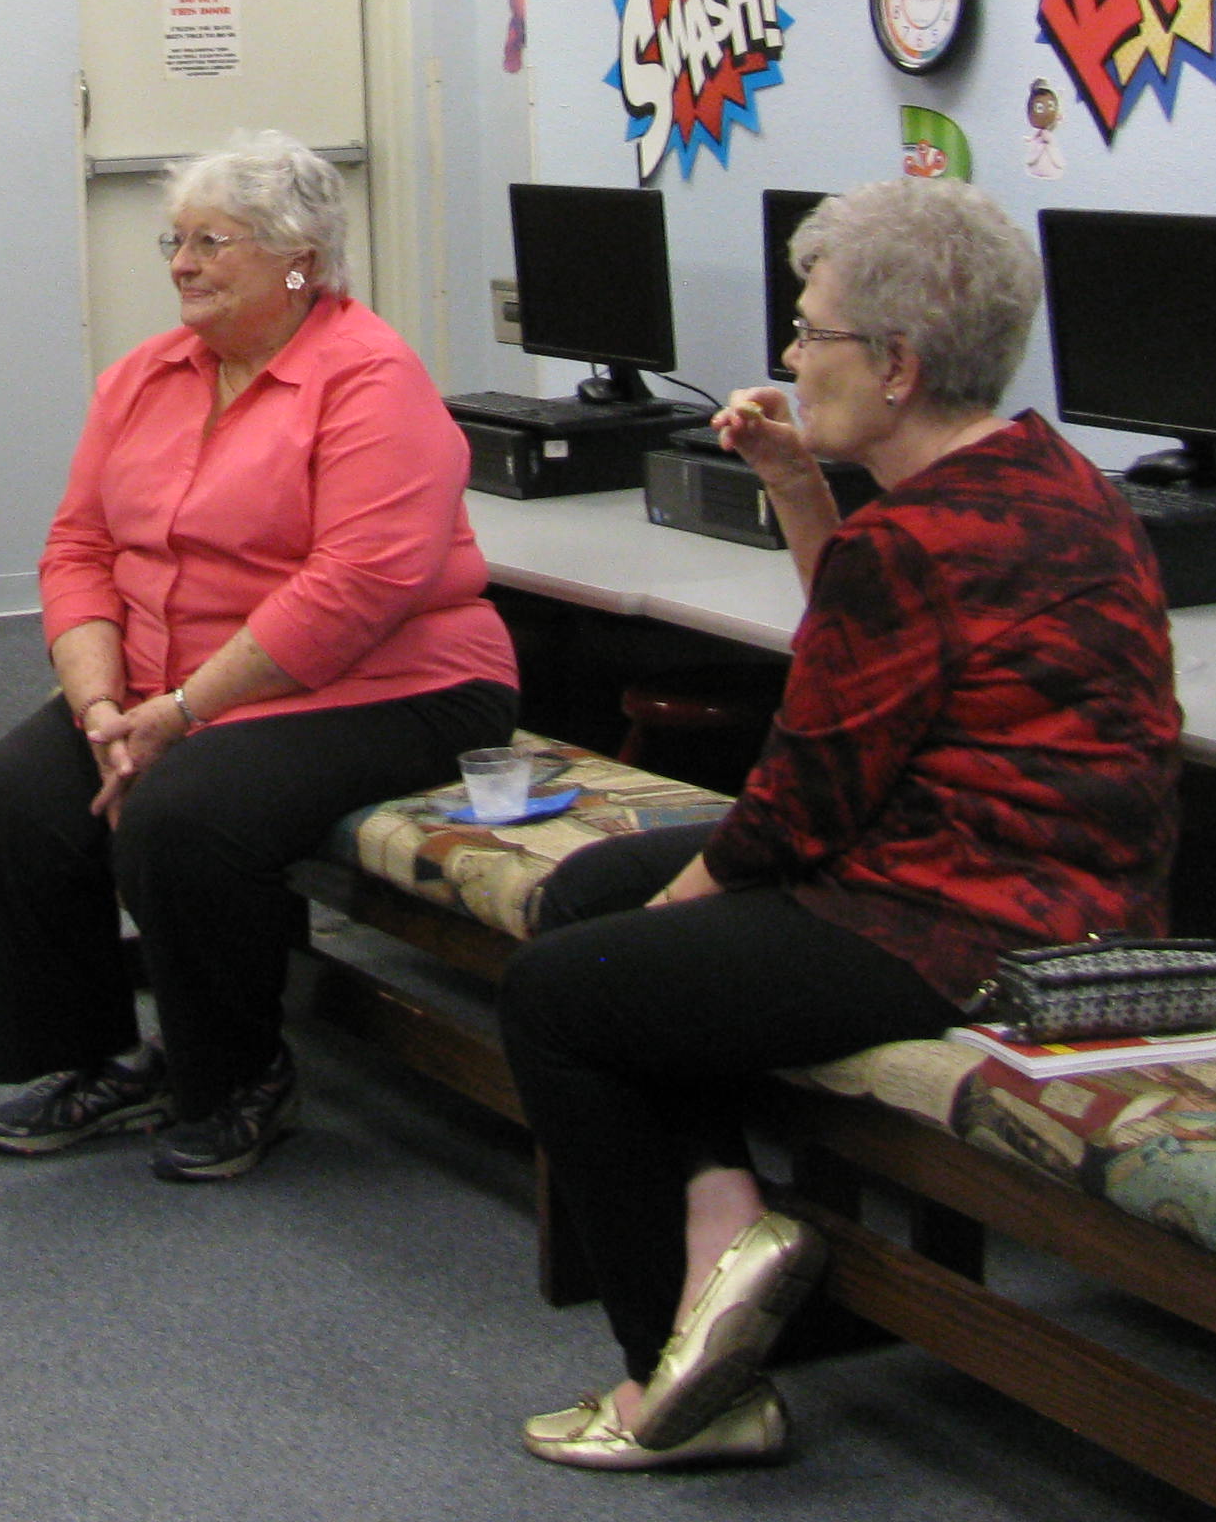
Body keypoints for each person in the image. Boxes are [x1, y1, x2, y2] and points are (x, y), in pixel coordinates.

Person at [499, 176, 1177, 1473]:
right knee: (589, 900)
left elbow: (794, 808)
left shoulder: (912, 545)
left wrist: (686, 906)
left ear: (901, 364)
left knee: (559, 993)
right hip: (1051, 888)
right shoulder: (1052, 479)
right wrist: (802, 489)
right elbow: (867, 663)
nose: (794, 359)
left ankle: (682, 1386)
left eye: (812, 335)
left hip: (963, 925)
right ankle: (722, 1225)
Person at [0, 131, 517, 1182]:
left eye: (211, 243)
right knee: (21, 793)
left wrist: (174, 716)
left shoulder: (369, 380)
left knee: (184, 814)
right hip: (163, 681)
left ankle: (237, 1073)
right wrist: (97, 711)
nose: (180, 264)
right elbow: (79, 548)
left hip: (393, 684)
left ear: (299, 256)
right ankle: (98, 1057)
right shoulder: (145, 376)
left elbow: (352, 594)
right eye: (176, 240)